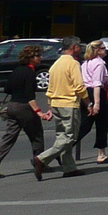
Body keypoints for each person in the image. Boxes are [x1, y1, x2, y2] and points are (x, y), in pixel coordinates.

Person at [0, 45, 51, 179]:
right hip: (24, 107)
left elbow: (7, 89)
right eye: (38, 56)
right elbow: (30, 96)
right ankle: (40, 163)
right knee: (37, 136)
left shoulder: (17, 70)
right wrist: (39, 112)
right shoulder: (30, 73)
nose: (40, 58)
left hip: (12, 106)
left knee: (8, 138)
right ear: (30, 58)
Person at [32, 36, 86, 180]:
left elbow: (50, 88)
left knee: (61, 136)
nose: (80, 49)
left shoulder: (55, 64)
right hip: (69, 104)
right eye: (79, 46)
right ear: (73, 47)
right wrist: (88, 101)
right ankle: (41, 159)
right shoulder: (73, 64)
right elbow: (79, 86)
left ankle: (69, 168)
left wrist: (50, 105)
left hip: (56, 103)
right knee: (70, 137)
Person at [79, 40, 108, 164]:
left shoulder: (85, 63)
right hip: (97, 94)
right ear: (98, 50)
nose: (106, 50)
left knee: (84, 125)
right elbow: (97, 84)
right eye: (103, 48)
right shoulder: (99, 64)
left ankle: (64, 149)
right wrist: (97, 103)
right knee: (102, 125)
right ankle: (101, 154)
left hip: (86, 93)